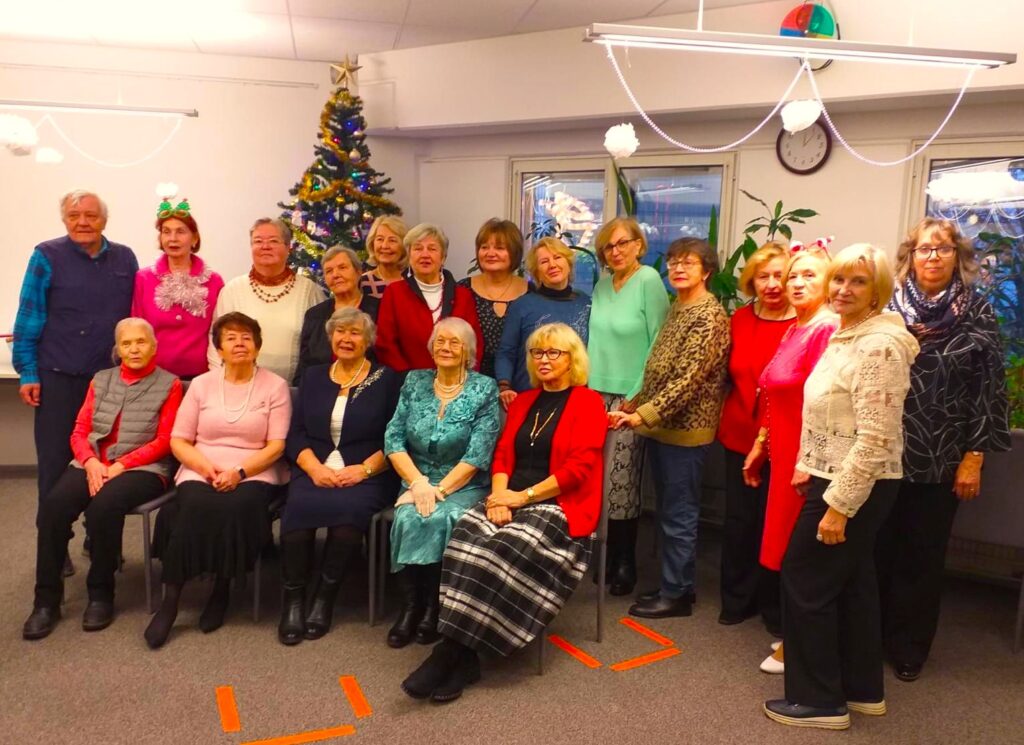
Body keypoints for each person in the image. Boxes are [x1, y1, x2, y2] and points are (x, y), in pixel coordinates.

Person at [401, 323, 606, 703]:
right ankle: (464, 659)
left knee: (501, 548)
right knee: (465, 539)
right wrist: (497, 497)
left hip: (558, 505)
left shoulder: (589, 403)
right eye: (537, 352)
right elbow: (502, 455)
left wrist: (519, 498)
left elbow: (577, 471)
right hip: (508, 496)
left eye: (554, 352)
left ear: (572, 359)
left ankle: (450, 652)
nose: (544, 359)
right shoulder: (523, 402)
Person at [764, 244, 919, 731]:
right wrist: (807, 465)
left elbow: (876, 437)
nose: (844, 290)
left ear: (878, 291)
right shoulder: (846, 334)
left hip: (856, 483)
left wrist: (839, 507)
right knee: (853, 584)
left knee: (804, 578)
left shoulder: (879, 346)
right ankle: (861, 690)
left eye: (858, 282)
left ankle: (819, 702)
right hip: (834, 474)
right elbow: (831, 416)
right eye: (839, 279)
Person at [878, 218, 1010, 682]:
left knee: (922, 557)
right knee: (878, 550)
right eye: (923, 249)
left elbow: (989, 390)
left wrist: (974, 457)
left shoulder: (977, 310)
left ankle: (909, 648)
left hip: (942, 457)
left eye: (943, 249)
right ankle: (871, 637)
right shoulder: (887, 308)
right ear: (909, 257)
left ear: (958, 257)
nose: (932, 257)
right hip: (883, 452)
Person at [22, 318, 182, 639]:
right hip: (93, 462)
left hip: (144, 468)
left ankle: (101, 594)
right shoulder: (101, 379)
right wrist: (91, 461)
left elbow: (165, 440)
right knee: (53, 508)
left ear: (154, 347)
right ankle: (46, 602)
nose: (134, 349)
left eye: (141, 342)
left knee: (103, 508)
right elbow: (80, 431)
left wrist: (121, 465)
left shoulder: (170, 384)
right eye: (126, 343)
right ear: (117, 349)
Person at [145, 312, 291, 649]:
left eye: (246, 337)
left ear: (257, 346)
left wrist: (238, 473)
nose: (239, 343)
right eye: (231, 338)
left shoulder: (275, 386)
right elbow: (179, 440)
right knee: (191, 505)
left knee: (237, 506)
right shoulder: (201, 384)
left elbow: (276, 446)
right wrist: (207, 469)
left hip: (254, 469)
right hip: (202, 465)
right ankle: (171, 601)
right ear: (219, 349)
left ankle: (221, 590)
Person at [13, 191, 138, 573]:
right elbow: (29, 317)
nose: (82, 222)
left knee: (109, 463)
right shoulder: (45, 256)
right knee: (55, 467)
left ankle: (100, 541)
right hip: (58, 379)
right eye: (74, 215)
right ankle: (56, 548)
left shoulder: (125, 258)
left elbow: (135, 317)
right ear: (64, 219)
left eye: (90, 215)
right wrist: (28, 371)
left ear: (104, 219)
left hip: (110, 384)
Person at [608, 238, 729, 619]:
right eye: (674, 262)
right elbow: (658, 365)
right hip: (663, 428)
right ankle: (677, 584)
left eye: (688, 263)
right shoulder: (679, 306)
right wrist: (636, 401)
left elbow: (686, 381)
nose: (678, 268)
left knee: (679, 515)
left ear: (706, 271)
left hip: (685, 434)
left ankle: (676, 595)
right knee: (668, 512)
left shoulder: (709, 316)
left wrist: (641, 415)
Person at [742, 243, 837, 673]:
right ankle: (793, 637)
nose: (796, 283)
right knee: (784, 550)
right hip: (783, 455)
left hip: (807, 462)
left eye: (808, 276)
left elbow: (825, 406)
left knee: (803, 558)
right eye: (792, 275)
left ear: (829, 282)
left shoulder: (825, 329)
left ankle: (800, 646)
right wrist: (761, 444)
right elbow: (773, 395)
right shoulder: (797, 327)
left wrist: (805, 460)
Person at [279, 308, 400, 645]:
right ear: (331, 337)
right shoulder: (313, 377)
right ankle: (293, 600)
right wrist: (314, 468)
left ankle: (324, 598)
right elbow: (296, 433)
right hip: (314, 468)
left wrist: (363, 470)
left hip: (368, 471)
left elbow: (395, 436)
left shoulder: (386, 379)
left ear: (368, 340)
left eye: (355, 333)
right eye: (340, 332)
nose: (347, 339)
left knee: (348, 517)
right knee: (297, 511)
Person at [383, 318, 500, 648]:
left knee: (441, 516)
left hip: (463, 483)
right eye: (440, 341)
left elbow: (479, 452)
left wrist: (439, 491)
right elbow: (393, 438)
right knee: (409, 517)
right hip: (416, 478)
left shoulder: (484, 388)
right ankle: (411, 607)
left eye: (455, 342)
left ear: (468, 351)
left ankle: (436, 608)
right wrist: (418, 483)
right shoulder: (415, 381)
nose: (446, 348)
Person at [588, 217, 671, 596]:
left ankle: (624, 561)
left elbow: (659, 344)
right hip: (595, 394)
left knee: (622, 482)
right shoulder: (602, 286)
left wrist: (635, 395)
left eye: (623, 243)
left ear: (639, 244)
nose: (616, 251)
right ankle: (603, 554)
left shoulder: (649, 281)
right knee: (598, 478)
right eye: (609, 246)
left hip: (630, 398)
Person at [717, 242, 796, 632]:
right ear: (752, 281)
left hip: (784, 439)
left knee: (777, 523)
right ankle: (736, 598)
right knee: (740, 521)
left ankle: (774, 605)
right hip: (739, 432)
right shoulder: (739, 319)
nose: (772, 284)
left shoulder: (805, 324)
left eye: (780, 275)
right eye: (763, 276)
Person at [208, 218, 324, 382]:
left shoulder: (309, 291)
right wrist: (224, 383)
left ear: (288, 247)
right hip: (239, 387)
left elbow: (319, 345)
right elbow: (216, 341)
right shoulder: (232, 290)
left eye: (273, 241)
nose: (265, 246)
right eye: (258, 241)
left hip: (295, 388)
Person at [131, 197, 224, 380]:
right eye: (166, 232)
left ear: (194, 238)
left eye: (180, 232)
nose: (173, 239)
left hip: (201, 378)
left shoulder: (214, 281)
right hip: (153, 377)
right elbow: (136, 329)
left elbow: (219, 332)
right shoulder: (144, 278)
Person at [495, 237, 591, 406]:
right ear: (536, 272)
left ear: (569, 263)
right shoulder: (522, 306)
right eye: (544, 261)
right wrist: (504, 386)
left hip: (573, 400)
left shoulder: (586, 303)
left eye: (558, 257)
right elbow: (506, 351)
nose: (552, 265)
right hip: (529, 397)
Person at [375, 223, 483, 372]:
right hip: (407, 381)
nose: (425, 255)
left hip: (457, 381)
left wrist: (463, 377)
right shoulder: (394, 293)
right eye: (418, 248)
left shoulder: (463, 295)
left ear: (443, 257)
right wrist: (410, 379)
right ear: (409, 256)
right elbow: (385, 344)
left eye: (432, 249)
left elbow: (474, 343)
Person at [294, 246, 380, 384]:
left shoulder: (379, 309)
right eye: (329, 271)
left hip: (368, 387)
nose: (335, 275)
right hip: (320, 388)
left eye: (342, 268)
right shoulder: (314, 315)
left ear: (358, 272)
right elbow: (304, 366)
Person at [457, 219, 529, 378]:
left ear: (514, 252)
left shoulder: (532, 293)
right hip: (472, 380)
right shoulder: (462, 290)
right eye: (484, 247)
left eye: (499, 248)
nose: (490, 253)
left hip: (520, 380)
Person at [359, 216, 409, 298]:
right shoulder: (362, 283)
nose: (385, 246)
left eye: (392, 240)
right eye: (380, 239)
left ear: (404, 246)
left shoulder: (414, 281)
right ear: (372, 243)